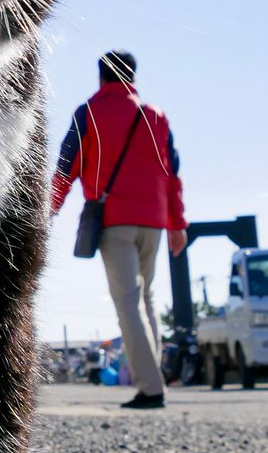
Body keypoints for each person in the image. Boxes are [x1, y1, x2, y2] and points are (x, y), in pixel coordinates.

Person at [52, 51, 188, 410]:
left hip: (115, 220)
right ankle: (154, 382)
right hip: (154, 221)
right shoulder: (155, 115)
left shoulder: (88, 113)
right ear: (133, 77)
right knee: (146, 300)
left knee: (129, 302)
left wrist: (47, 210)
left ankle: (151, 389)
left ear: (101, 77)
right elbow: (172, 174)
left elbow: (66, 167)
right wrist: (177, 224)